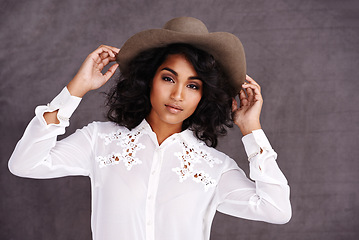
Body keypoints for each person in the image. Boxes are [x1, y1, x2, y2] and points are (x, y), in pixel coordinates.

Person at [8, 17, 291, 240]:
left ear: (204, 95)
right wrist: (76, 88)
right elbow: (25, 164)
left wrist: (251, 129)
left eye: (193, 85)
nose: (178, 94)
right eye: (169, 78)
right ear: (149, 80)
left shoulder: (215, 167)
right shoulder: (100, 141)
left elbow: (277, 210)